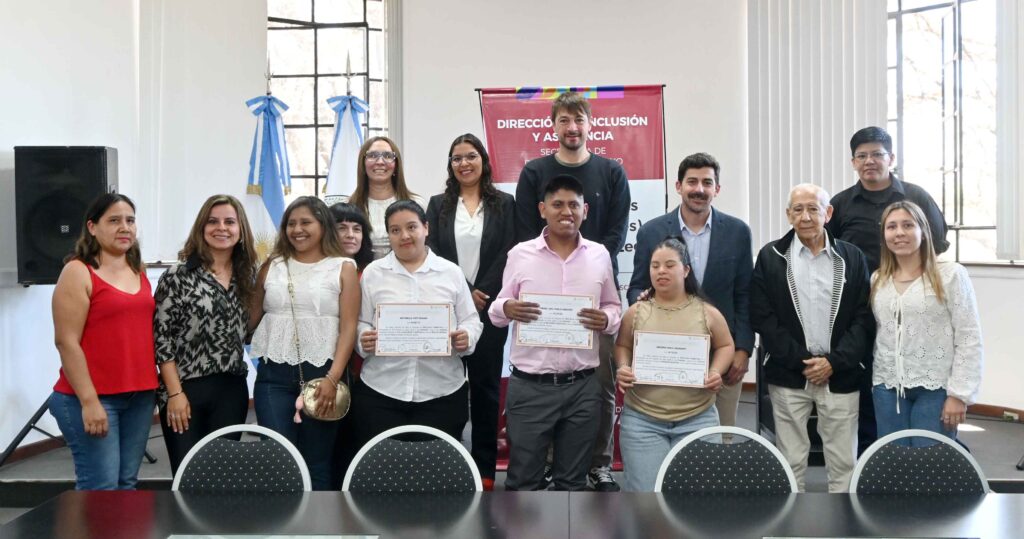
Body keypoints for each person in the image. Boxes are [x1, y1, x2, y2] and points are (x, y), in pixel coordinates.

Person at [514, 91, 630, 491]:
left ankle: (598, 463)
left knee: (599, 385)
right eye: (564, 120)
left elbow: (617, 232)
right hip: (544, 299)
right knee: (547, 381)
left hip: (594, 296)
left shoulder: (611, 172)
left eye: (579, 119)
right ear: (553, 126)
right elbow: (525, 230)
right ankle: (551, 462)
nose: (572, 127)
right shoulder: (534, 172)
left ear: (590, 125)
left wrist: (588, 261)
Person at [490, 174, 622, 491]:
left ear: (585, 210)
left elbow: (614, 306)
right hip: (530, 386)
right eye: (558, 204)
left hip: (582, 386)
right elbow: (495, 311)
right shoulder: (520, 254)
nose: (566, 212)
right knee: (523, 481)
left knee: (573, 484)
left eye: (573, 205)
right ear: (542, 209)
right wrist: (508, 307)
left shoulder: (600, 255)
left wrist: (605, 319)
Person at [827, 126, 950, 453]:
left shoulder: (916, 197)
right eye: (862, 156)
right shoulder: (841, 204)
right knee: (875, 386)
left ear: (891, 158)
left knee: (926, 402)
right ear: (853, 162)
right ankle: (874, 458)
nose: (869, 161)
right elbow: (828, 254)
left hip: (914, 306)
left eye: (877, 154)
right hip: (862, 311)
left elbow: (937, 244)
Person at [750, 184, 874, 493]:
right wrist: (803, 361)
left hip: (841, 374)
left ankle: (843, 518)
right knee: (790, 460)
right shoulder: (770, 257)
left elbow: (864, 317)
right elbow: (763, 317)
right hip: (789, 374)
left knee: (844, 462)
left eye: (813, 209)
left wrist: (833, 362)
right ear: (788, 215)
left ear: (828, 213)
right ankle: (791, 518)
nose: (805, 217)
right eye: (798, 209)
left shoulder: (851, 256)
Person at [627, 152, 753, 432]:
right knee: (669, 431)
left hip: (722, 355)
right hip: (667, 353)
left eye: (707, 183)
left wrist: (743, 349)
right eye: (692, 181)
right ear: (678, 186)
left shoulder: (738, 232)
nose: (699, 189)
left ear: (717, 189)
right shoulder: (651, 232)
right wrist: (641, 298)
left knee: (720, 437)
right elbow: (636, 285)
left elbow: (745, 294)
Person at [425, 133, 517, 491]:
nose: (464, 163)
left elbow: (509, 250)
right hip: (447, 309)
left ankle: (484, 470)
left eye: (471, 156)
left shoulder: (505, 204)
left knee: (486, 390)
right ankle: (446, 463)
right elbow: (433, 251)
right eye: (457, 158)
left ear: (484, 161)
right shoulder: (437, 205)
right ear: (450, 165)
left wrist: (483, 292)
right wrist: (464, 291)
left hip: (488, 310)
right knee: (444, 389)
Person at [49, 193, 158, 490]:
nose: (125, 227)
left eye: (130, 220)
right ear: (92, 227)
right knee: (101, 488)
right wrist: (89, 401)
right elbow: (66, 342)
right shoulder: (77, 271)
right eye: (114, 220)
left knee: (126, 484)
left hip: (139, 397)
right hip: (92, 398)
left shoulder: (138, 270)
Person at [249, 196, 360, 490]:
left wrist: (332, 378)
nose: (297, 229)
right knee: (278, 460)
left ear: (323, 226)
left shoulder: (343, 267)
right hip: (273, 376)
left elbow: (348, 327)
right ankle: (283, 521)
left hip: (324, 375)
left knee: (317, 462)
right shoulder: (271, 266)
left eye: (306, 222)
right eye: (291, 223)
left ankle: (318, 520)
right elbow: (250, 319)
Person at [354, 200, 483, 448]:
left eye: (411, 227)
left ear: (426, 228)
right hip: (382, 390)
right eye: (395, 230)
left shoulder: (451, 272)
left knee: (436, 467)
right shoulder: (373, 273)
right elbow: (361, 321)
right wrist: (364, 337)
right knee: (382, 466)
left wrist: (466, 335)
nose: (404, 236)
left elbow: (471, 319)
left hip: (442, 391)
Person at [616, 237, 735, 492]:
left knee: (697, 500)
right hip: (642, 421)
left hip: (698, 419)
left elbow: (726, 346)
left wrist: (716, 371)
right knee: (646, 500)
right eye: (655, 265)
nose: (661, 271)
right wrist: (623, 367)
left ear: (686, 270)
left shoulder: (707, 312)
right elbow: (623, 345)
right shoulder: (636, 312)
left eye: (670, 265)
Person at [153, 194, 257, 476]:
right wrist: (174, 393)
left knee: (222, 477)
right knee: (188, 476)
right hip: (185, 389)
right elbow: (162, 341)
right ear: (202, 228)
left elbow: (249, 332)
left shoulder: (248, 276)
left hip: (231, 390)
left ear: (240, 230)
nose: (221, 228)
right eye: (213, 221)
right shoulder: (177, 276)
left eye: (229, 222)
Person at [870, 201, 983, 445]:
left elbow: (969, 336)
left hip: (936, 389)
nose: (899, 232)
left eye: (908, 225)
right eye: (891, 227)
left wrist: (959, 394)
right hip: (887, 387)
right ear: (884, 235)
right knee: (894, 461)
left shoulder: (951, 275)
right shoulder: (878, 279)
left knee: (929, 462)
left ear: (923, 231)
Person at [345, 136, 426, 259]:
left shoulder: (416, 204)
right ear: (363, 164)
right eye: (372, 155)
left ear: (396, 164)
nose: (380, 162)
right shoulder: (349, 206)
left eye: (388, 156)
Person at [329, 202, 374, 272]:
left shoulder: (372, 271)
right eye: (342, 228)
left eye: (356, 229)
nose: (350, 235)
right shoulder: (319, 269)